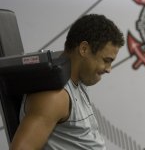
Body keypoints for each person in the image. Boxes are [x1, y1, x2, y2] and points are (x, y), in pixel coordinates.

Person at [10, 14, 125, 150]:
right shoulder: (54, 97)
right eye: (106, 61)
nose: (109, 69)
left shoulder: (79, 83)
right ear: (84, 49)